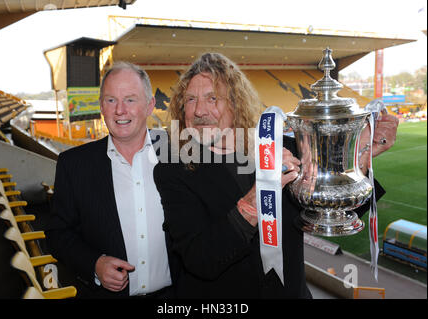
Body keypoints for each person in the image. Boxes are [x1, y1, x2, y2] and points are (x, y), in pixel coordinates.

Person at [153, 52, 398, 298]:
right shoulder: (174, 169)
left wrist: (360, 157)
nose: (199, 111)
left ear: (236, 103)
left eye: (212, 98)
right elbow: (200, 260)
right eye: (190, 99)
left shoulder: (285, 148)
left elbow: (330, 213)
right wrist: (260, 192)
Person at [45, 62, 172, 298]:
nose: (120, 110)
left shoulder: (178, 156)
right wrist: (94, 263)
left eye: (131, 100)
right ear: (102, 106)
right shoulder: (74, 165)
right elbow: (58, 233)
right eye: (111, 100)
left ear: (150, 106)